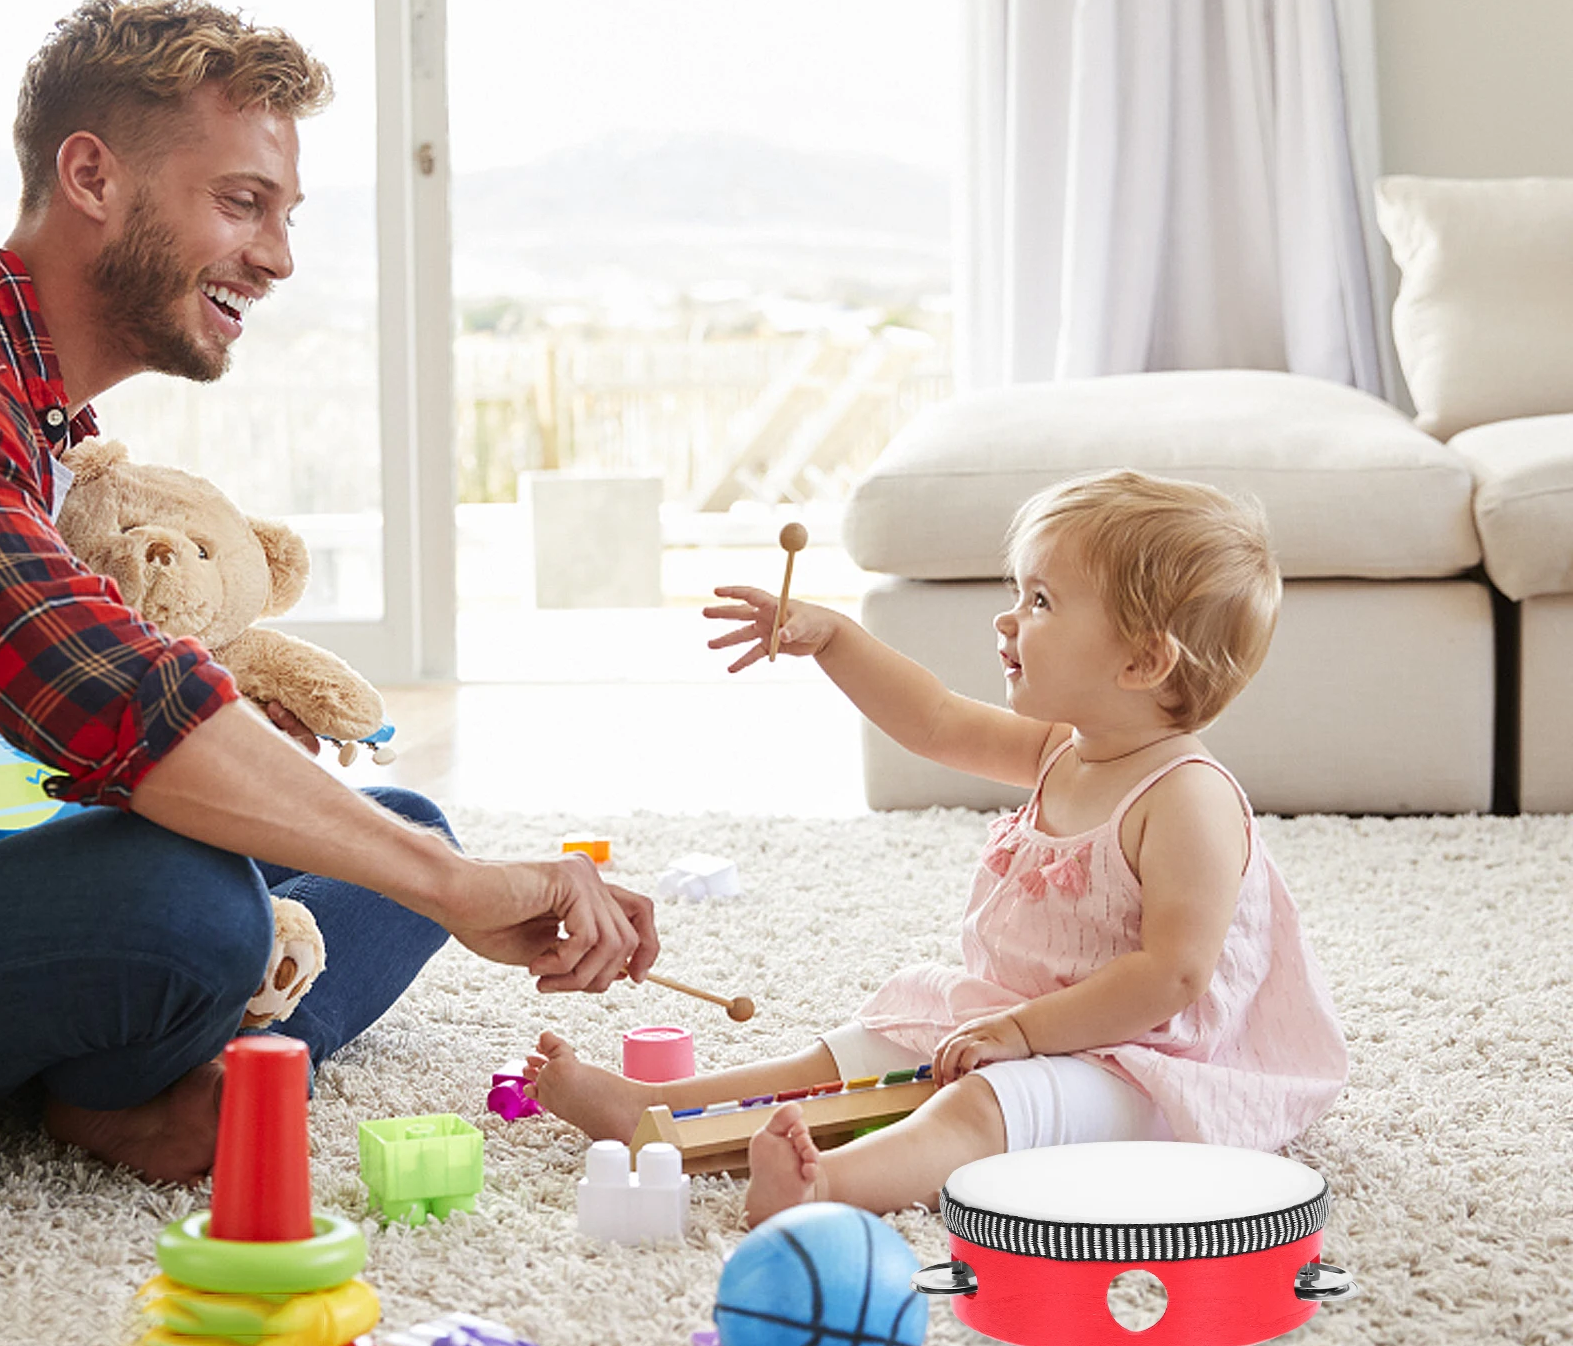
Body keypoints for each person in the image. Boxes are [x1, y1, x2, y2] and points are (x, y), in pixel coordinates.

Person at [0, 0, 657, 1184]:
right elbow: (105, 693)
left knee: (390, 831)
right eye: (242, 203)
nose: (279, 257)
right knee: (190, 905)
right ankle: (144, 1070)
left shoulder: (38, 411)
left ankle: (159, 1076)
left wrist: (318, 812)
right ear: (92, 176)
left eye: (284, 214)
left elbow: (67, 713)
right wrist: (458, 891)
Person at [526, 470, 1348, 1226]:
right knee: (867, 1041)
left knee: (979, 1108)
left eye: (1041, 602)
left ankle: (825, 1187)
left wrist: (1024, 1036)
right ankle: (655, 1111)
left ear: (1142, 660)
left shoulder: (1186, 799)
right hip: (1024, 1021)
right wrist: (833, 639)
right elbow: (935, 720)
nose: (1007, 618)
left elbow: (1171, 976)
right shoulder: (1064, 747)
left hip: (1151, 1069)